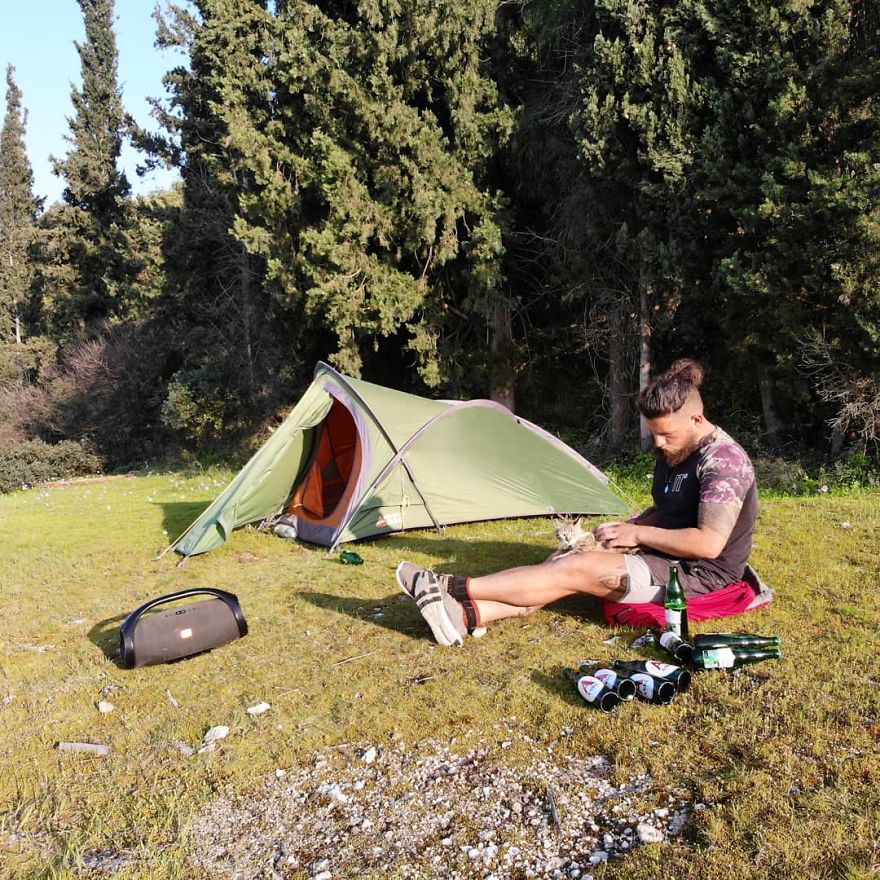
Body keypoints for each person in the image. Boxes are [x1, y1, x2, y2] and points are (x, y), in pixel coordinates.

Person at [395, 358, 759, 646]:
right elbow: (667, 509)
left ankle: (448, 587)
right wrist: (626, 528)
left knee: (575, 570)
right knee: (565, 561)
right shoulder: (676, 449)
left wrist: (638, 535)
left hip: (699, 577)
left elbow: (708, 544)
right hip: (665, 556)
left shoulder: (724, 462)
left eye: (666, 435)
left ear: (696, 418)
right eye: (654, 434)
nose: (659, 444)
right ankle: (466, 616)